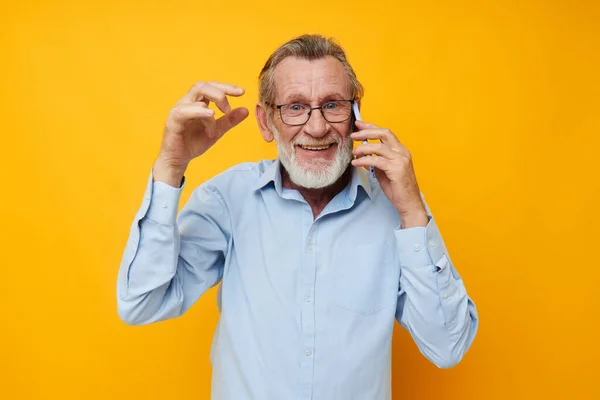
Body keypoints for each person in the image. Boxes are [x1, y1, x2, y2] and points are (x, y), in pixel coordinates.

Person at [116, 34, 478, 400]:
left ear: (355, 115)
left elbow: (448, 346)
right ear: (266, 121)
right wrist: (170, 167)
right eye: (295, 107)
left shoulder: (397, 206)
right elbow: (142, 302)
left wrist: (413, 213)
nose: (317, 128)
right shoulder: (228, 198)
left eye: (333, 105)